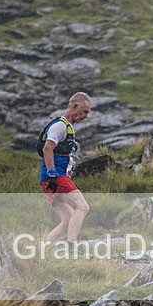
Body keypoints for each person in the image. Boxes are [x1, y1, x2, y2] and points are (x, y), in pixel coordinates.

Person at [37, 92, 93, 247]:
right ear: (75, 107)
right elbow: (47, 148)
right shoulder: (60, 126)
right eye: (85, 111)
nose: (86, 116)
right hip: (56, 177)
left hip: (51, 179)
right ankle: (71, 246)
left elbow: (57, 152)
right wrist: (52, 174)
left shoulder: (68, 127)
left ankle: (43, 250)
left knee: (68, 220)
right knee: (83, 207)